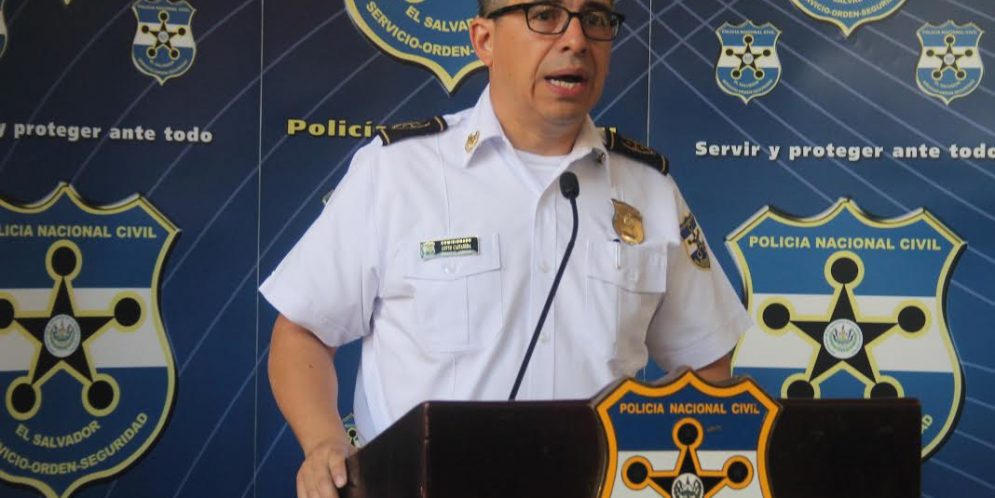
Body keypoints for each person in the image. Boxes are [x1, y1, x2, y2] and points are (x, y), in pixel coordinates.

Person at [260, 1, 751, 497]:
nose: (576, 40)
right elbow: (302, 331)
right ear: (484, 40)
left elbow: (706, 362)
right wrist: (324, 442)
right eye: (546, 16)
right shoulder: (397, 173)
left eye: (595, 19)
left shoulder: (649, 189)